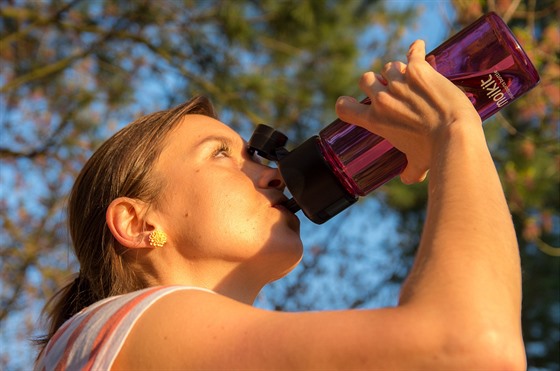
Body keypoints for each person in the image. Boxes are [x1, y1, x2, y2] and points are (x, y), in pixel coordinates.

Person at [34, 40, 526, 370]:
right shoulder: (127, 326)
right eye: (221, 154)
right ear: (138, 223)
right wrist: (454, 134)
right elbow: (472, 345)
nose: (271, 173)